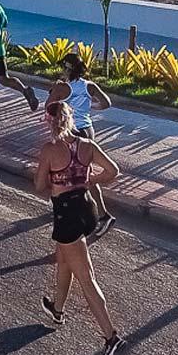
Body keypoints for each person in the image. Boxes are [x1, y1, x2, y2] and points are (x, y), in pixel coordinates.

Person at [35, 100, 125, 355]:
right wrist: (87, 180)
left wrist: (50, 176)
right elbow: (113, 171)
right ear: (71, 117)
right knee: (64, 260)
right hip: (88, 208)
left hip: (66, 213)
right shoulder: (87, 145)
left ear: (49, 121)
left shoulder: (50, 150)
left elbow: (40, 184)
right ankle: (58, 308)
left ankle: (111, 336)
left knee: (86, 277)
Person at [46, 53, 114, 236]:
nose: (60, 70)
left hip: (72, 132)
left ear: (67, 69)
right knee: (84, 170)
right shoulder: (89, 86)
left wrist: (54, 92)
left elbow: (49, 108)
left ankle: (101, 214)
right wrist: (91, 108)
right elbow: (107, 103)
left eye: (63, 67)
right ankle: (80, 205)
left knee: (72, 171)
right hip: (88, 131)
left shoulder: (62, 88)